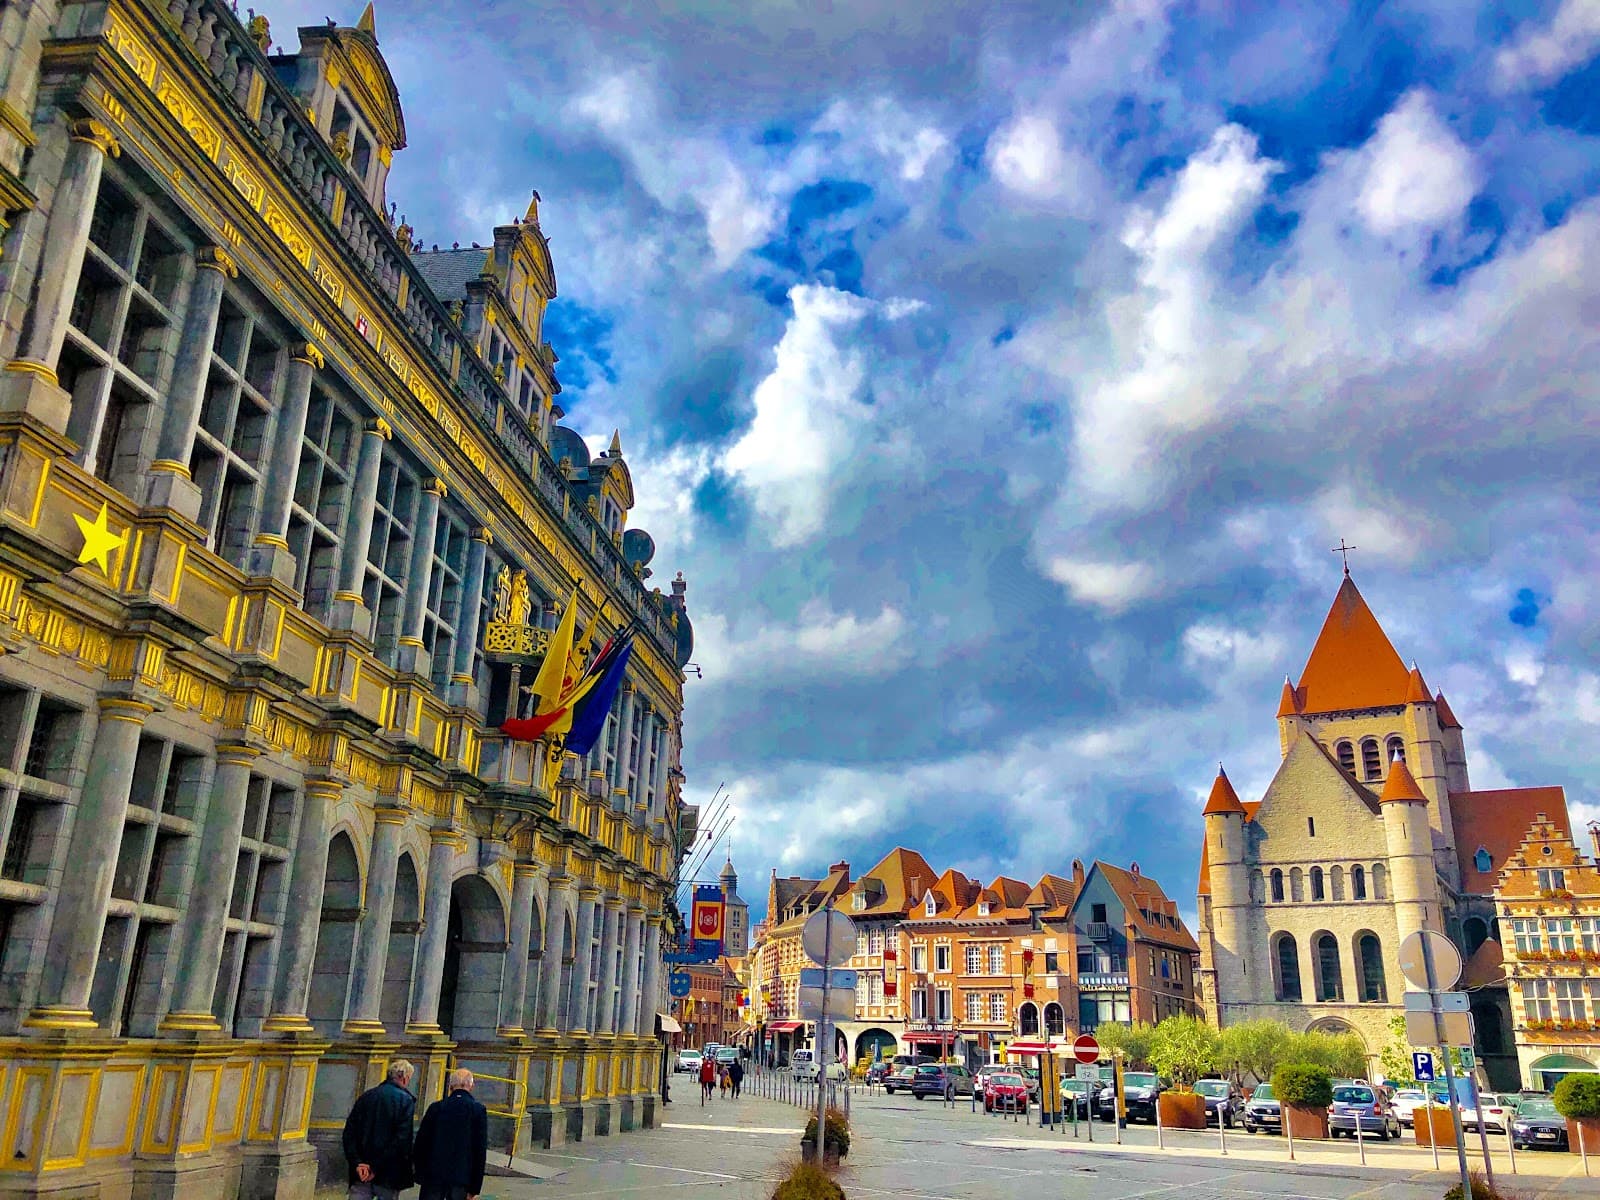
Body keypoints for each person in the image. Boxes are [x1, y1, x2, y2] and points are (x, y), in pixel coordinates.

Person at [342, 1060, 416, 1200]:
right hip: (388, 1173)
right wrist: (375, 1167)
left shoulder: (366, 1096)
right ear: (405, 1078)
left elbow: (349, 1133)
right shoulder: (405, 1101)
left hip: (361, 1172)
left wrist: (357, 1163)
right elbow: (401, 1140)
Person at [413, 1068, 488, 1200]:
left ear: (450, 1086)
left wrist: (420, 1174)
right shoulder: (478, 1110)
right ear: (471, 1085)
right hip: (461, 1179)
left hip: (433, 1177)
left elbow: (421, 1143)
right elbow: (479, 1150)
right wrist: (475, 1187)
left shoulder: (436, 1107)